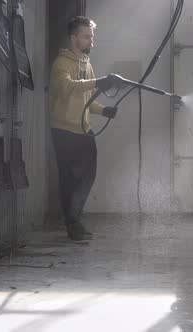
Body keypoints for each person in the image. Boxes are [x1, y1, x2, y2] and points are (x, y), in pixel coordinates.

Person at [49, 16, 122, 240]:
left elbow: (87, 99)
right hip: (64, 130)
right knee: (69, 178)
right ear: (74, 38)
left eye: (92, 36)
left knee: (88, 176)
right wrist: (99, 81)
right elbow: (67, 87)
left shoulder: (87, 63)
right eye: (87, 36)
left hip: (83, 129)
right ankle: (73, 224)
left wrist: (103, 110)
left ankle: (74, 219)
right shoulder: (61, 64)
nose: (92, 40)